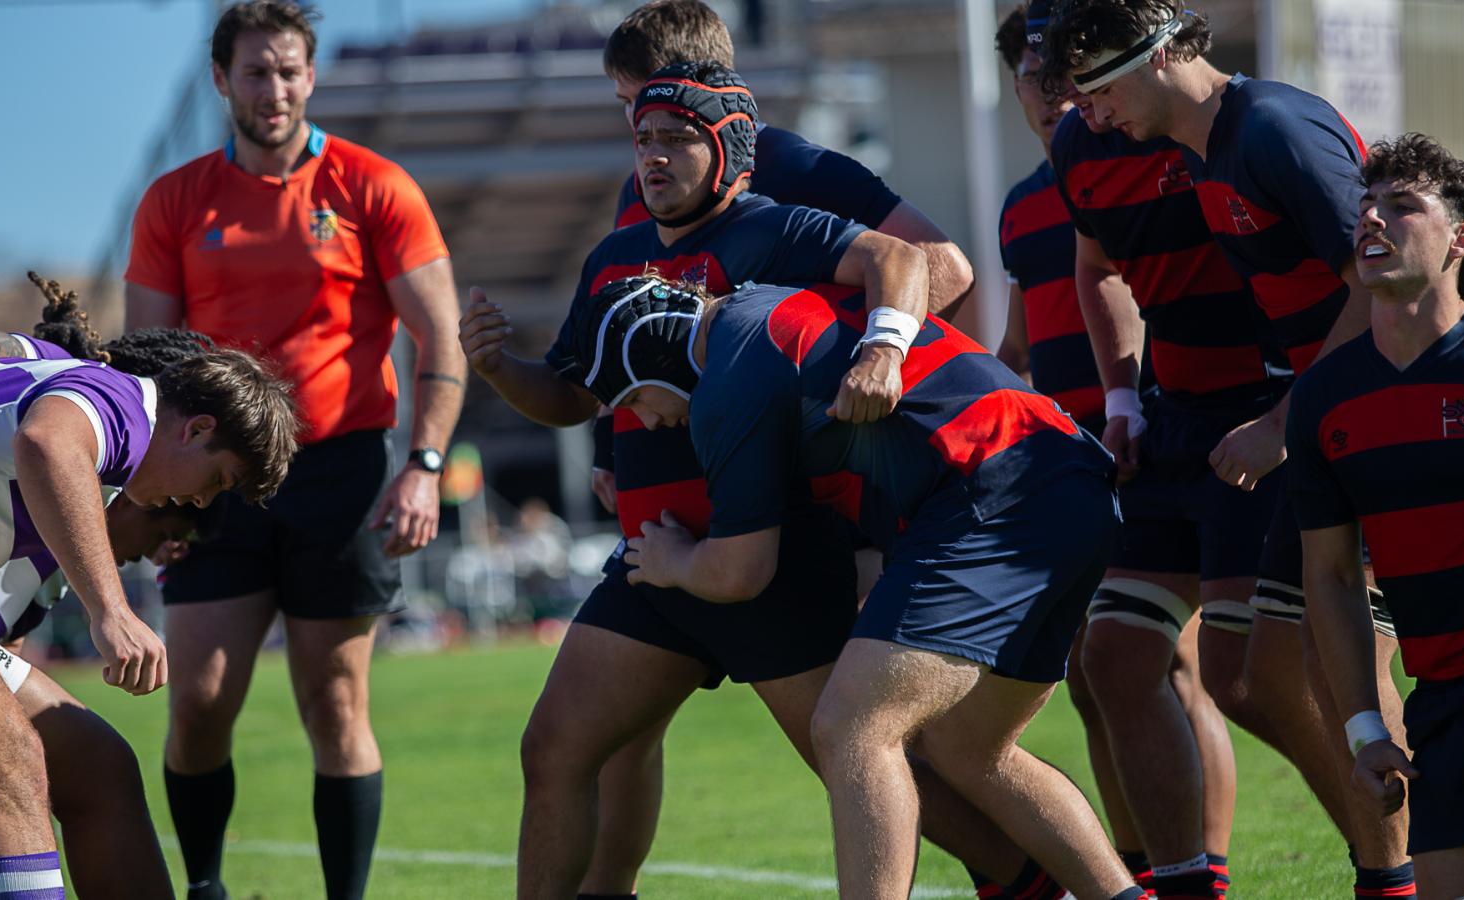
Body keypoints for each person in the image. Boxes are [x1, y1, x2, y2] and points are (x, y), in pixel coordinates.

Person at [464, 60, 1056, 900]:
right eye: (644, 139)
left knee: (851, 758)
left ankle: (1023, 877)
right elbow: (571, 392)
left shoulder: (767, 226)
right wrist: (498, 369)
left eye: (676, 139)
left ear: (727, 149)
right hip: (652, 558)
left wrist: (884, 347)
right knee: (554, 746)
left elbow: (905, 258)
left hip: (762, 553)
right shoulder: (615, 255)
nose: (655, 156)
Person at [557, 273, 1142, 900]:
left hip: (994, 488)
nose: (646, 421)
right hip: (1067, 476)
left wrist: (672, 561)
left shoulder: (728, 376)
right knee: (972, 748)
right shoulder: (767, 303)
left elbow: (739, 570)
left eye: (634, 398)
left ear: (654, 352)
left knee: (852, 728)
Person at [587, 9, 978, 891]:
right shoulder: (645, 184)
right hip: (670, 512)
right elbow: (639, 331)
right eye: (625, 112)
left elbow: (942, 266)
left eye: (639, 102)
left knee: (856, 744)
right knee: (593, 741)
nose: (633, 130)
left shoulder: (788, 161)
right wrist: (615, 432)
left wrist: (827, 358)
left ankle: (1021, 872)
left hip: (773, 509)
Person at [1040, 3, 1415, 896]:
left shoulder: (1273, 127)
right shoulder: (1208, 148)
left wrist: (1282, 421)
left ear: (1165, 52)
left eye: (1100, 88)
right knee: (1238, 667)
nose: (1087, 115)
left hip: (1362, 426)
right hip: (1292, 424)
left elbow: (1387, 277)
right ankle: (1389, 875)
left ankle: (1421, 870)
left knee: (1325, 672)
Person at [122, 3, 466, 898]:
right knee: (197, 705)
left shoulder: (374, 185)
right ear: (220, 81)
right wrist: (146, 497)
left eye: (287, 72)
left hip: (341, 472)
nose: (272, 90)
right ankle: (204, 888)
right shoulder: (174, 200)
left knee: (336, 704)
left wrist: (424, 467)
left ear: (310, 76)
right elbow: (144, 370)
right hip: (210, 481)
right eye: (253, 73)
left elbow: (442, 342)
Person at [0, 288, 296, 900]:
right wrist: (112, 612)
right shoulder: (128, 403)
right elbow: (48, 444)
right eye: (217, 481)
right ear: (199, 428)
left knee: (92, 764)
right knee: (6, 756)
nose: (201, 503)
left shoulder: (62, 375)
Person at [995, 7, 1237, 896]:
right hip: (1074, 451)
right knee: (1100, 674)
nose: (1055, 88)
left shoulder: (1158, 155)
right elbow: (1021, 342)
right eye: (1036, 73)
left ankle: (1204, 867)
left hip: (1167, 428)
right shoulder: (1025, 202)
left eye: (1069, 72)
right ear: (1017, 85)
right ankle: (1143, 868)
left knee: (1178, 665)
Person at [1290, 132, 1464, 900]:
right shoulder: (1325, 397)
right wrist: (1366, 732)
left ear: (1460, 241)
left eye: (1402, 207)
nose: (1372, 220)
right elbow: (1333, 577)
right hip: (1441, 698)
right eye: (1365, 207)